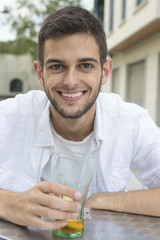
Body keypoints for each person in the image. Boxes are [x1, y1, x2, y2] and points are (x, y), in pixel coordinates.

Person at [0, 6, 160, 231]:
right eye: (57, 66)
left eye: (85, 65)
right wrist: (8, 204)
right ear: (39, 74)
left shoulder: (131, 122)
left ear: (105, 71)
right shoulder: (7, 118)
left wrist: (101, 200)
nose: (71, 81)